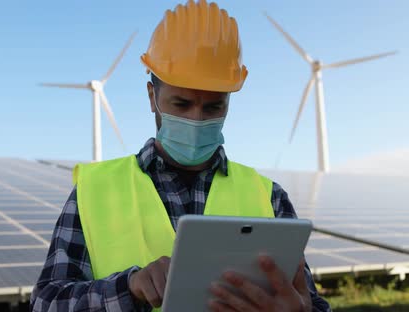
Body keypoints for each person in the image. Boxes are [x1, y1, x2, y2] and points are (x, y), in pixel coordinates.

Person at [31, 0, 331, 311]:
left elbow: (310, 301)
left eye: (214, 106)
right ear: (152, 97)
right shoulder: (95, 190)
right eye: (182, 104)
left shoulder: (270, 198)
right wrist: (128, 288)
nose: (197, 119)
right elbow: (45, 303)